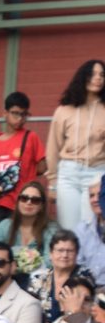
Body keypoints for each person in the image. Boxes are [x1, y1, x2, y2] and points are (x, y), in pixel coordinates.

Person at [47, 60, 105, 229]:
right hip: (69, 174)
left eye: (102, 75)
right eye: (93, 74)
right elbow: (53, 148)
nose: (98, 78)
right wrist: (52, 183)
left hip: (98, 174)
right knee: (69, 229)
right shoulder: (64, 109)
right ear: (83, 77)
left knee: (92, 228)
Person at [0, 92, 47, 228]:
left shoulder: (31, 137)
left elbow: (42, 167)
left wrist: (27, 172)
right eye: (15, 113)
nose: (19, 118)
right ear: (5, 113)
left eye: (24, 114)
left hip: (25, 202)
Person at [0, 184, 57, 284]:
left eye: (35, 200)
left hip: (39, 282)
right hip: (6, 280)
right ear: (17, 202)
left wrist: (18, 266)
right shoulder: (4, 226)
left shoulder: (51, 229)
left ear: (42, 206)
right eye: (24, 198)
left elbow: (50, 262)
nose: (28, 202)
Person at [27, 230, 84, 323]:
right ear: (51, 253)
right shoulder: (38, 278)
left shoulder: (84, 277)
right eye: (60, 250)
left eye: (70, 251)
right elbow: (28, 309)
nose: (65, 255)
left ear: (77, 254)